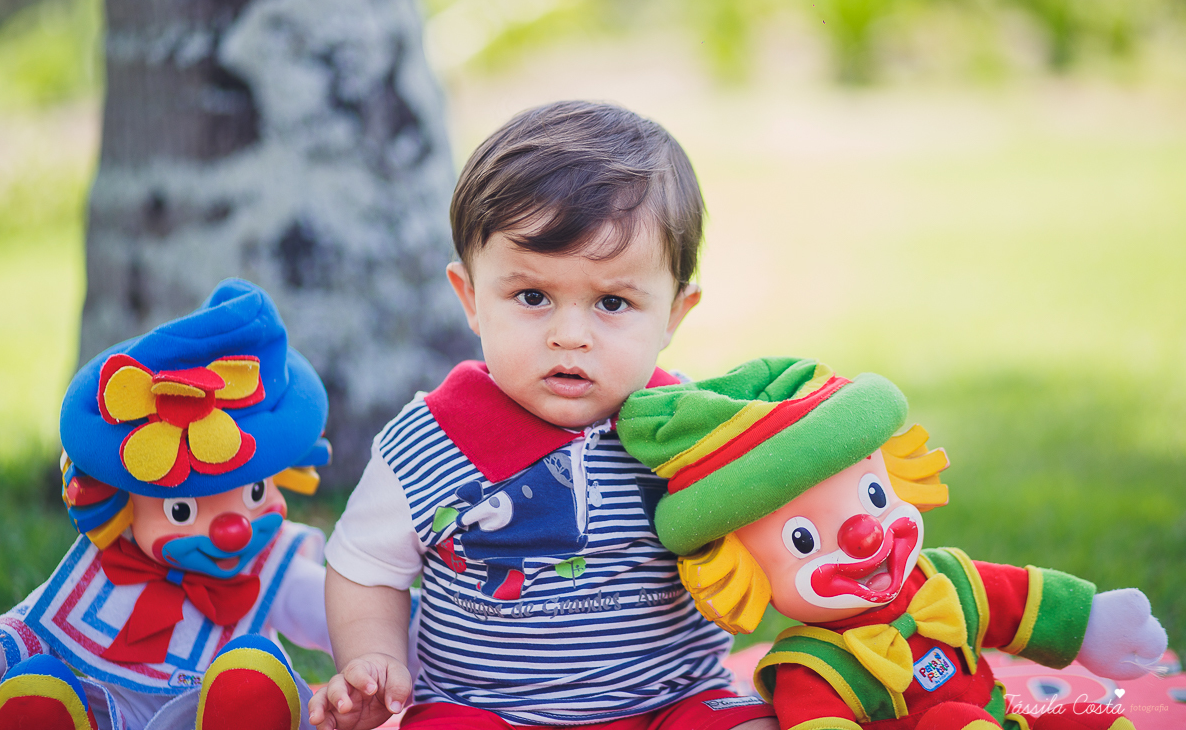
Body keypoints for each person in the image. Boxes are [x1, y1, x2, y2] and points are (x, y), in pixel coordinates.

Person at [309, 101, 779, 730]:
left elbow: (775, 534)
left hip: (673, 700)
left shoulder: (690, 430)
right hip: (487, 711)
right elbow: (364, 567)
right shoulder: (429, 441)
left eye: (612, 302)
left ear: (673, 314)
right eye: (532, 296)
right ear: (471, 297)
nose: (569, 335)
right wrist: (372, 658)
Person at [617, 356, 1168, 730]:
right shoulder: (814, 665)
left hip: (1005, 719)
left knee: (1100, 720)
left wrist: (1092, 621)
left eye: (875, 495)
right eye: (804, 539)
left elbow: (1020, 600)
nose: (866, 536)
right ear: (745, 571)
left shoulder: (946, 581)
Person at [0, 279, 334, 730]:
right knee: (37, 682)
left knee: (251, 674)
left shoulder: (272, 564)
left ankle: (251, 703)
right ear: (121, 500)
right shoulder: (98, 569)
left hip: (218, 708)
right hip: (115, 714)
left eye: (254, 493)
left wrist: (414, 640)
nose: (235, 529)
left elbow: (339, 612)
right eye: (182, 511)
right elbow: (33, 625)